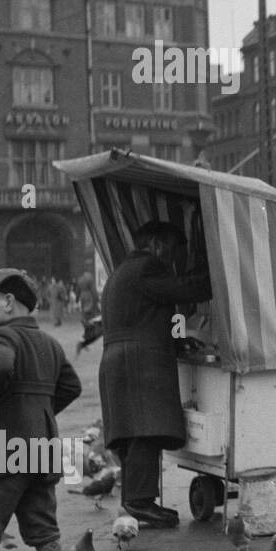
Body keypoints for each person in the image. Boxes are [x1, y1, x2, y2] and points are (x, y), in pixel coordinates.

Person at [0, 268, 81, 551]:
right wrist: (38, 412)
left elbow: (1, 365)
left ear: (8, 303)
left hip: (3, 449)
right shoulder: (49, 343)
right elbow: (71, 387)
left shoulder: (1, 335)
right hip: (42, 450)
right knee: (45, 530)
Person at [98, 220, 212, 527]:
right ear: (158, 244)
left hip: (121, 360)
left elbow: (142, 316)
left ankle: (137, 499)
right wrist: (216, 271)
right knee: (144, 430)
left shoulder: (123, 271)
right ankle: (140, 501)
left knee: (134, 431)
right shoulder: (147, 268)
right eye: (174, 250)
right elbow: (185, 289)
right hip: (138, 364)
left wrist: (177, 342)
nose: (174, 259)